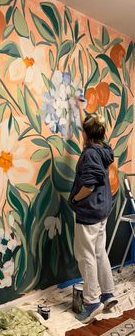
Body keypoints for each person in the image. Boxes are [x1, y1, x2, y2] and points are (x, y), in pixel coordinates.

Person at [69, 98, 118, 323]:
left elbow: (88, 184)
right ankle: (108, 294)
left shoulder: (89, 154)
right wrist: (79, 107)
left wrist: (75, 200)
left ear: (86, 135)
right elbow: (89, 130)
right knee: (99, 251)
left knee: (85, 255)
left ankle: (92, 302)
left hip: (89, 211)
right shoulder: (103, 148)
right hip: (103, 209)